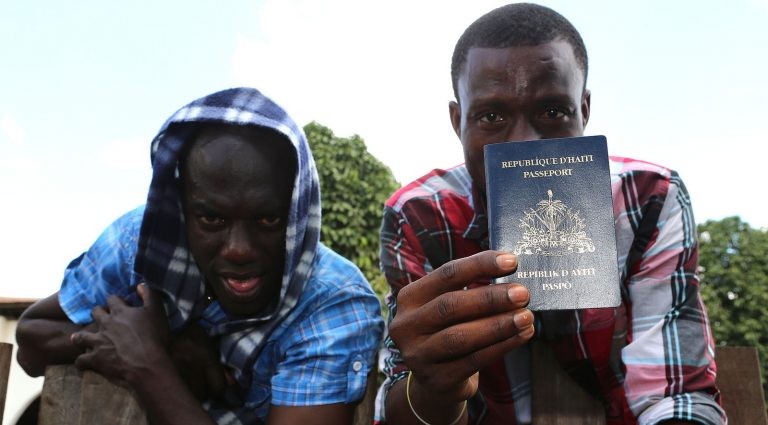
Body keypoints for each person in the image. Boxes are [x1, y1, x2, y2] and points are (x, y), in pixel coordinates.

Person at [376, 4, 725, 425]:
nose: (523, 144)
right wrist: (434, 388)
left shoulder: (649, 198)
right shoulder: (418, 218)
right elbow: (403, 400)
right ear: (457, 120)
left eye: (553, 112)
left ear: (585, 109)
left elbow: (675, 394)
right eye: (491, 116)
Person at [16, 87, 384, 425]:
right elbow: (31, 343)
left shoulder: (333, 304)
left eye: (268, 219)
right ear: (183, 211)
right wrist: (165, 346)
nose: (239, 249)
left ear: (298, 213)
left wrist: (149, 366)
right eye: (212, 219)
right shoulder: (143, 242)